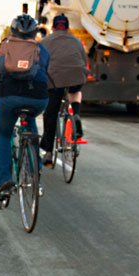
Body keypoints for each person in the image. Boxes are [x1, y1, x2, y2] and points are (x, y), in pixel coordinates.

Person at [0, 14, 50, 202]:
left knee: (4, 136)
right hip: (38, 99)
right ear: (34, 32)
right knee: (30, 122)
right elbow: (44, 76)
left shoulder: (3, 48)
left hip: (9, 97)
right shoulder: (42, 50)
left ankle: (2, 181)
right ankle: (35, 171)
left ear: (13, 31)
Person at [39, 14, 88, 167]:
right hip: (76, 77)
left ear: (53, 28)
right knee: (75, 91)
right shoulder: (77, 41)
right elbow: (84, 61)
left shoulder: (45, 41)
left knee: (51, 114)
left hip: (55, 80)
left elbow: (40, 64)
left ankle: (48, 152)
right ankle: (75, 114)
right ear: (68, 28)